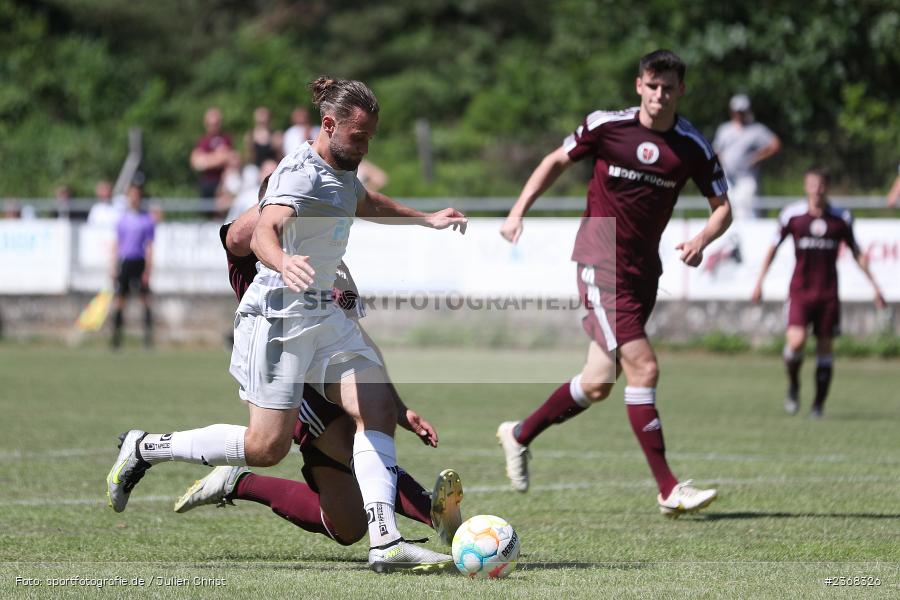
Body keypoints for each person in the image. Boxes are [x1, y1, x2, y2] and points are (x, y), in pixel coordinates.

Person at [106, 77, 468, 572]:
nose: (366, 146)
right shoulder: (298, 173)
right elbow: (262, 233)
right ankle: (146, 447)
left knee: (376, 406)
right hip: (279, 318)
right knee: (265, 448)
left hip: (323, 317)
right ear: (329, 125)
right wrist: (282, 261)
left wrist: (426, 218)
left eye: (370, 137)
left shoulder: (341, 170)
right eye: (359, 137)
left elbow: (366, 202)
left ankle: (386, 541)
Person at [496, 49, 731, 517]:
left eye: (669, 87)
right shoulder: (607, 126)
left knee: (600, 382)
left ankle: (519, 433)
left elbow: (723, 208)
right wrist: (518, 210)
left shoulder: (692, 146)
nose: (660, 94)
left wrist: (702, 238)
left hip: (644, 271)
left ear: (680, 91)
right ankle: (668, 488)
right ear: (639, 84)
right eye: (652, 84)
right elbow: (555, 160)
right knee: (644, 368)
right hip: (600, 258)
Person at [174, 185, 463, 549]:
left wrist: (399, 407)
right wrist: (279, 199)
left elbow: (356, 336)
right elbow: (235, 237)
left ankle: (238, 482)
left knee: (346, 527)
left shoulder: (331, 264)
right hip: (291, 381)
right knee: (346, 443)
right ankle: (435, 515)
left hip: (335, 377)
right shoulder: (255, 254)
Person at [751, 168, 885, 418]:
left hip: (828, 293)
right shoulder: (793, 215)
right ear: (805, 186)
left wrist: (875, 286)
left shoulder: (841, 217)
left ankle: (818, 405)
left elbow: (857, 252)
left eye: (821, 185)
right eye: (812, 184)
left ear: (827, 187)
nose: (817, 189)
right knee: (796, 342)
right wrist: (759, 281)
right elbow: (772, 248)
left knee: (825, 348)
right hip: (800, 292)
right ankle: (793, 385)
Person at [713, 94, 781, 219]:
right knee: (725, 211)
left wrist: (758, 157)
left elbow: (775, 144)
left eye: (742, 111)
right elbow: (716, 151)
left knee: (747, 212)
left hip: (747, 178)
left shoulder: (756, 129)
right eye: (737, 111)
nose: (739, 114)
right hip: (727, 179)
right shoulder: (724, 129)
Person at [110, 178, 156, 349]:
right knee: (120, 300)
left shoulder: (147, 220)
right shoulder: (122, 219)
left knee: (145, 300)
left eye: (137, 195)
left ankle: (147, 339)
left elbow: (150, 246)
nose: (134, 198)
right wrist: (113, 265)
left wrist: (148, 269)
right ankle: (116, 339)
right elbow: (117, 244)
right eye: (131, 195)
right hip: (126, 262)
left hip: (139, 262)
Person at [190, 107, 234, 198]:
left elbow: (232, 159)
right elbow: (196, 163)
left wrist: (206, 159)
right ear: (206, 124)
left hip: (224, 183)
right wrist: (219, 158)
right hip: (208, 183)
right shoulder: (202, 141)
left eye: (216, 124)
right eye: (211, 124)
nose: (214, 127)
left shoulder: (226, 138)